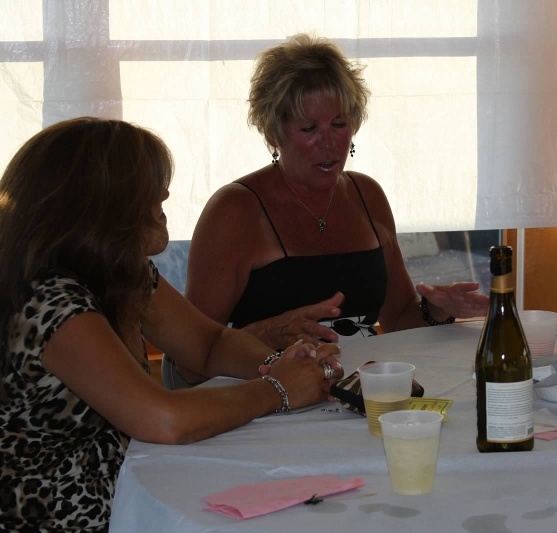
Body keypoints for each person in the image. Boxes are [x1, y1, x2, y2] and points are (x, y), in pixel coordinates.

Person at [0, 117, 343, 530]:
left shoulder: (122, 273)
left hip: (131, 489)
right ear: (100, 205)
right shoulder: (50, 304)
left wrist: (283, 363)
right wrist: (279, 389)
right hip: (66, 517)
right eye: (150, 189)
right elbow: (165, 419)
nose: (165, 194)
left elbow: (209, 345)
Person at [166, 33, 488, 388]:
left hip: (355, 394)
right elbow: (190, 361)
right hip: (262, 399)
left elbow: (398, 318)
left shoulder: (367, 195)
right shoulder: (235, 210)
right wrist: (270, 333)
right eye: (308, 128)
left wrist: (437, 310)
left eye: (339, 124)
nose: (329, 142)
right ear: (273, 134)